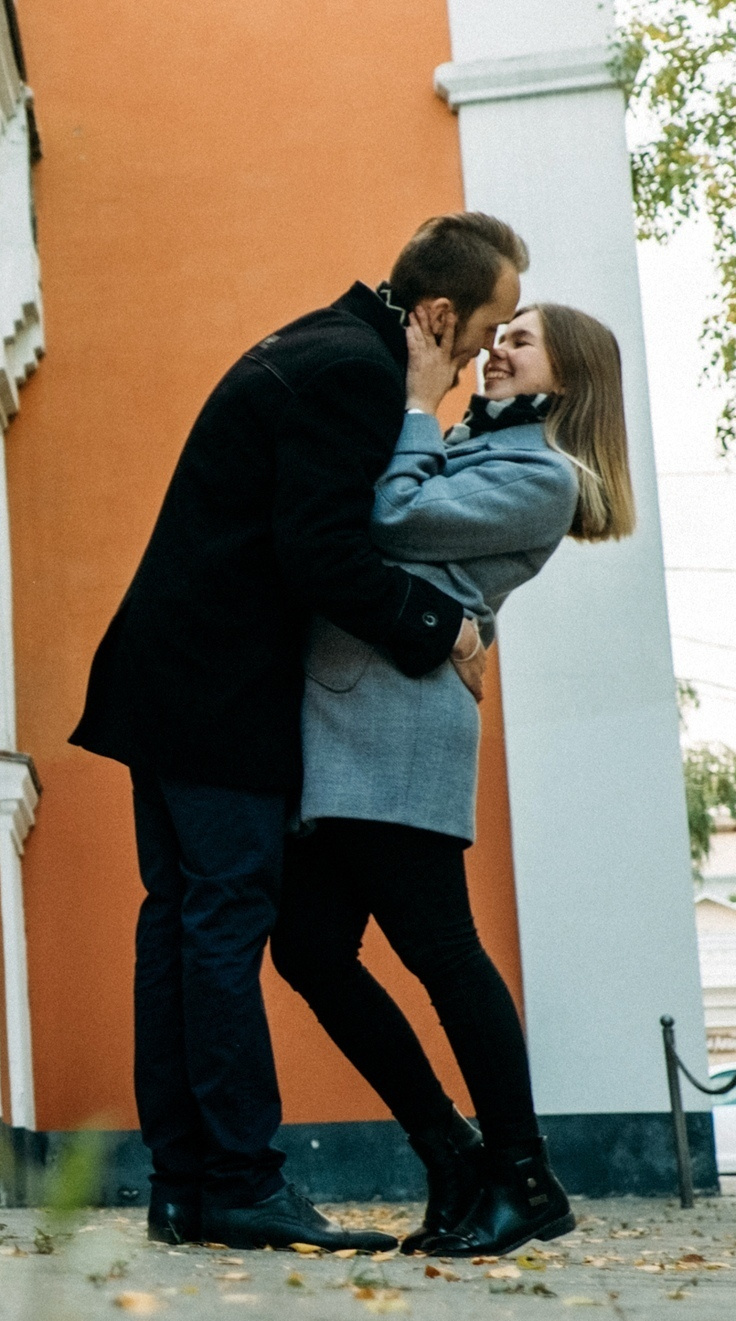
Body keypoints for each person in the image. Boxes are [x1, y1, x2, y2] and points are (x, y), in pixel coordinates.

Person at [72, 212, 528, 1251]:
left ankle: (186, 1184)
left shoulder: (320, 343)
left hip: (174, 677)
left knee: (183, 924)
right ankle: (236, 1179)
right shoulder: (351, 376)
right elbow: (321, 552)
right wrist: (441, 624)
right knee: (221, 924)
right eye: (477, 335)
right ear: (439, 313)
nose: (470, 368)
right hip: (218, 690)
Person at [273, 303, 635, 1258]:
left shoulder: (541, 474)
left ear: (569, 375)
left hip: (397, 727)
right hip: (354, 719)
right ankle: (450, 1150)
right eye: (500, 332)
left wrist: (413, 402)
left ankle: (524, 1174)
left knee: (441, 949)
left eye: (522, 339)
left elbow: (394, 517)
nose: (497, 349)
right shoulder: (483, 445)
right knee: (309, 950)